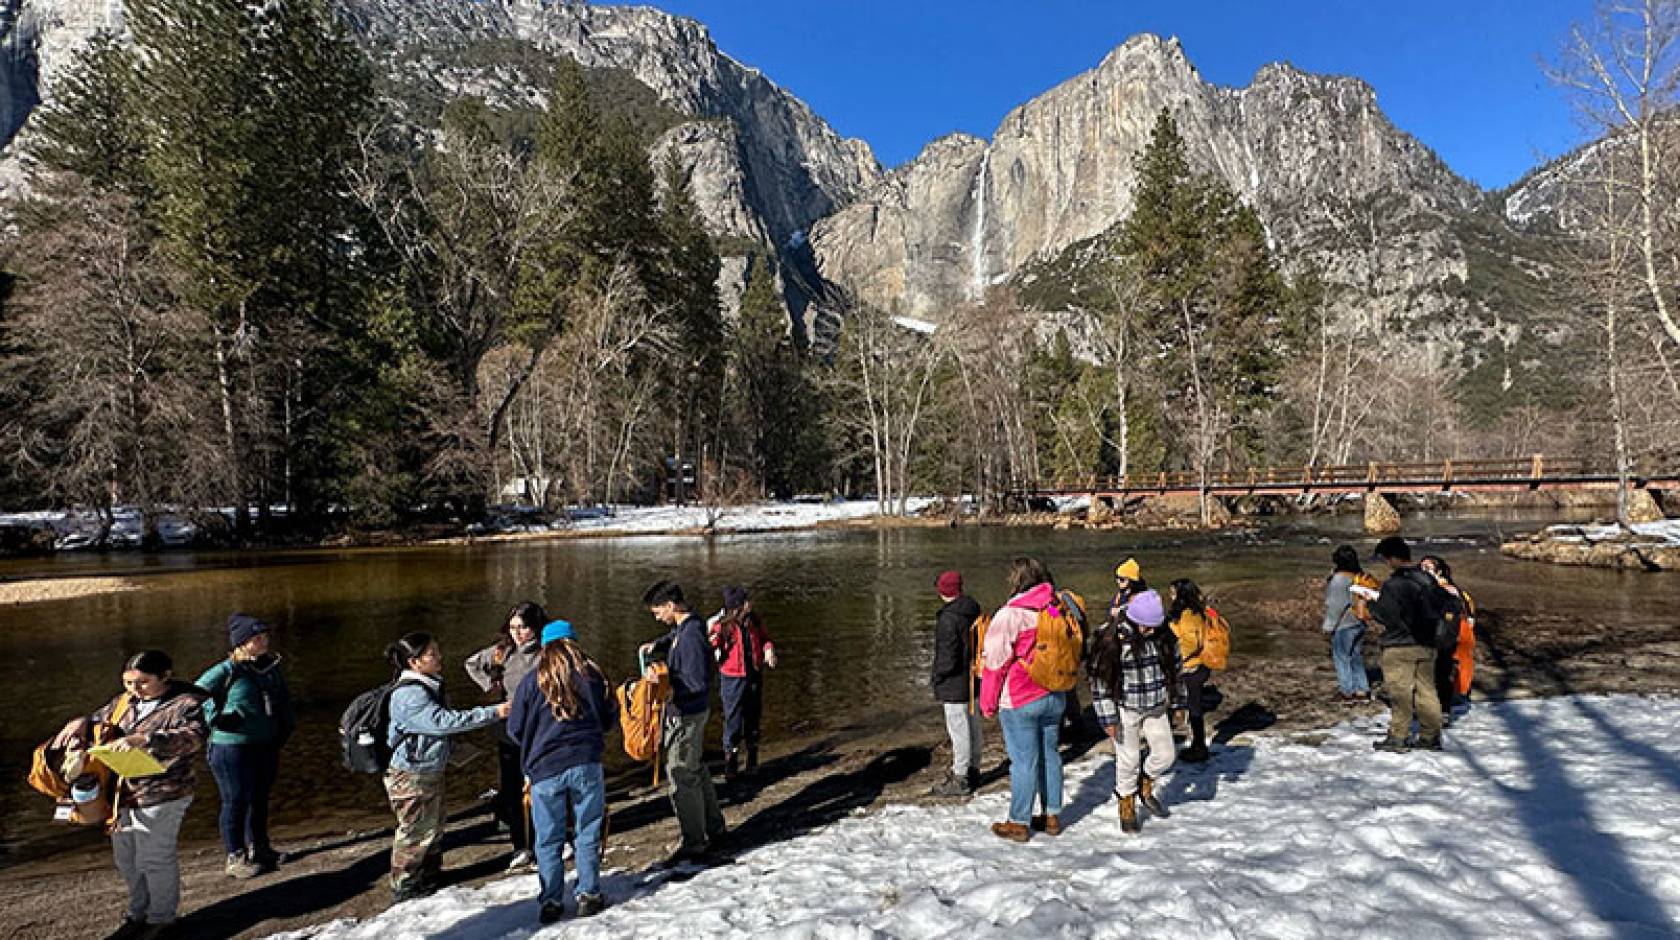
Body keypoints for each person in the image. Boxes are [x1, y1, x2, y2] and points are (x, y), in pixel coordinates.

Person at [53, 651, 209, 940]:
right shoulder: (125, 702)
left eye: (143, 682)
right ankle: (138, 912)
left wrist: (144, 739)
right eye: (127, 683)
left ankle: (161, 918)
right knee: (126, 858)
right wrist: (81, 723)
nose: (134, 690)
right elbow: (100, 720)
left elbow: (193, 737)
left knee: (154, 858)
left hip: (163, 793)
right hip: (120, 793)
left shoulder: (186, 704)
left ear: (165, 676)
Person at [383, 632, 509, 902]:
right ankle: (404, 886)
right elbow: (442, 722)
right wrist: (494, 712)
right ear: (414, 662)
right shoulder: (409, 695)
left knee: (433, 825)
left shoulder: (429, 685)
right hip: (411, 774)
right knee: (415, 830)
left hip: (428, 769)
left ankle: (428, 876)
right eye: (432, 654)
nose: (439, 657)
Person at [508, 620, 617, 924]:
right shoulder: (593, 676)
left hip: (545, 768)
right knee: (587, 830)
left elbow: (514, 729)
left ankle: (551, 901)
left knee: (548, 838)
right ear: (574, 643)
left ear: (544, 646)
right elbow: (610, 716)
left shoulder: (532, 681)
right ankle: (589, 894)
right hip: (586, 761)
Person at [196, 614, 294, 880]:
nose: (263, 642)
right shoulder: (227, 670)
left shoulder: (269, 667)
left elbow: (282, 699)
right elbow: (193, 696)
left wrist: (284, 727)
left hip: (265, 744)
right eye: (256, 638)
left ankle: (260, 848)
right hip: (231, 747)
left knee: (260, 797)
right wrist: (216, 718)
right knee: (235, 799)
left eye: (264, 637)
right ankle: (235, 855)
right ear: (241, 643)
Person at [979, 557, 1071, 843]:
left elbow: (995, 664)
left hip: (1020, 698)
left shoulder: (1010, 614)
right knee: (1050, 754)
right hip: (1055, 693)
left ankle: (1019, 821)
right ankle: (1052, 814)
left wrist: (987, 702)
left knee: (1023, 762)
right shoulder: (1057, 606)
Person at [640, 580, 727, 860]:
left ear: (671, 606)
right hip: (694, 711)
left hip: (688, 714)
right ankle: (715, 827)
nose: (657, 618)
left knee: (680, 773)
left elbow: (696, 680)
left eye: (658, 612)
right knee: (697, 767)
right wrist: (658, 644)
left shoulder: (690, 638)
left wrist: (667, 688)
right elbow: (676, 635)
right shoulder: (690, 625)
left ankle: (694, 840)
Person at [1087, 591, 1179, 833]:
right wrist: (1108, 718)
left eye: (1153, 627)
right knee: (1128, 759)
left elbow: (1175, 670)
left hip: (1156, 706)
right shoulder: (1112, 639)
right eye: (1145, 627)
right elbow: (1099, 682)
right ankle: (1125, 802)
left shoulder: (1164, 635)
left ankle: (1144, 782)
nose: (1149, 631)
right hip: (1125, 707)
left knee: (1166, 755)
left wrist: (1179, 702)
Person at [464, 601, 546, 870]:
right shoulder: (502, 652)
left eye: (523, 627)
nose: (518, 633)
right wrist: (491, 684)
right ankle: (520, 844)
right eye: (513, 627)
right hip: (510, 729)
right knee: (512, 788)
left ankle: (549, 837)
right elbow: (471, 663)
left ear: (535, 627)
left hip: (543, 727)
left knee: (544, 785)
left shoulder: (548, 651)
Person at [1369, 536, 1444, 752]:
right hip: (1427, 643)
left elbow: (1387, 617)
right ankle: (1430, 736)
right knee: (1427, 691)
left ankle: (1398, 736)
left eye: (1385, 559)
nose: (1385, 563)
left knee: (1400, 692)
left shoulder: (1394, 585)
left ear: (1392, 558)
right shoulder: (1428, 580)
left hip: (1399, 645)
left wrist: (1371, 605)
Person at [707, 586, 778, 781]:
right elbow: (709, 645)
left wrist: (769, 650)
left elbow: (765, 639)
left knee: (753, 717)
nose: (750, 604)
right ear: (737, 606)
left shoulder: (754, 621)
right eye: (746, 601)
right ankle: (731, 760)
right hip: (732, 678)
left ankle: (752, 758)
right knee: (733, 720)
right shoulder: (723, 626)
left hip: (753, 674)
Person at [929, 570, 983, 797]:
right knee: (973, 724)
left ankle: (960, 777)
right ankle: (973, 769)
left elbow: (947, 657)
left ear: (943, 591)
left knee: (958, 729)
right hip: (973, 676)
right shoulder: (973, 609)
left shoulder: (948, 618)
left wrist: (936, 677)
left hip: (954, 682)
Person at [1421, 556, 1476, 718]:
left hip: (1456, 629)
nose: (1423, 570)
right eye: (1422, 566)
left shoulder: (1445, 589)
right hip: (1454, 628)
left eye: (1428, 567)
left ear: (1438, 570)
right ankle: (1457, 693)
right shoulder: (1450, 589)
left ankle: (1459, 693)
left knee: (1457, 662)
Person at [1166, 579, 1213, 763]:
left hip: (1191, 667)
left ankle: (1199, 747)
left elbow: (1190, 643)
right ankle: (1198, 744)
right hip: (1197, 665)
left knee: (1194, 708)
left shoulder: (1188, 616)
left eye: (1173, 592)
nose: (1170, 596)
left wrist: (1177, 660)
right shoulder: (1196, 612)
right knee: (1194, 706)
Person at [1322, 546, 1373, 703]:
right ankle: (1362, 689)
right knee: (1355, 656)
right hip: (1360, 621)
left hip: (1345, 624)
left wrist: (1328, 627)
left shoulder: (1338, 580)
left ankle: (1347, 691)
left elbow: (1335, 606)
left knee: (1341, 657)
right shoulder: (1359, 576)